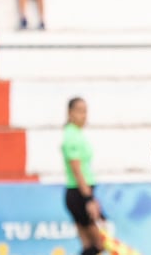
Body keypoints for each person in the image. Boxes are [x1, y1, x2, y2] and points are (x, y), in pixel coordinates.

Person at [62, 97, 105, 255]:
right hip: (79, 193)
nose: (84, 115)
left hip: (79, 192)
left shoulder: (76, 133)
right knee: (98, 245)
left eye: (85, 111)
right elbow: (77, 170)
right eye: (80, 111)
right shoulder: (71, 136)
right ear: (70, 113)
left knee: (88, 246)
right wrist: (88, 199)